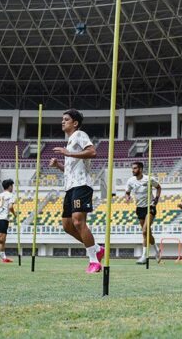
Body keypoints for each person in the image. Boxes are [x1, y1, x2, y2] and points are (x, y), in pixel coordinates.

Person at [49, 109, 104, 274]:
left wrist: (69, 153)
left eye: (66, 119)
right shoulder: (70, 141)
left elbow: (92, 152)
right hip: (70, 187)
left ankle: (94, 261)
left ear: (75, 123)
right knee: (67, 226)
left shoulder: (79, 134)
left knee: (79, 222)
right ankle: (96, 248)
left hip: (82, 185)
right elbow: (70, 169)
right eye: (62, 119)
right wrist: (58, 165)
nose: (62, 121)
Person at [125, 161, 162, 264]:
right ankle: (157, 250)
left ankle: (144, 256)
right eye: (132, 168)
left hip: (150, 206)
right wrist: (127, 197)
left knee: (145, 231)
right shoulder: (130, 181)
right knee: (147, 233)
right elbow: (127, 192)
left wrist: (157, 199)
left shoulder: (149, 179)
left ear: (140, 169)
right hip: (139, 208)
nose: (133, 170)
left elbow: (158, 187)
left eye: (135, 168)